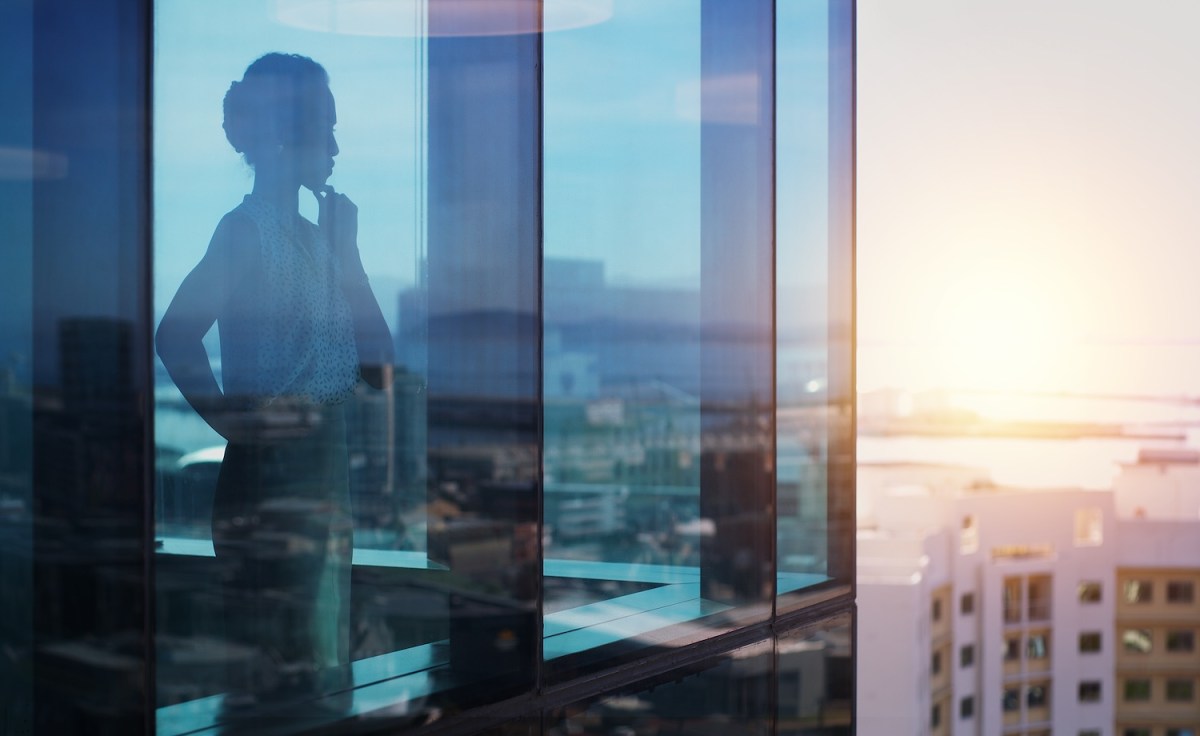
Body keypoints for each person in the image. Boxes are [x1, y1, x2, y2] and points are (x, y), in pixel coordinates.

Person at [156, 52, 393, 709]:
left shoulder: (321, 243)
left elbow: (379, 365)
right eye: (329, 130)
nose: (339, 148)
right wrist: (235, 424)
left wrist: (349, 256)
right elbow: (174, 334)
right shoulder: (243, 233)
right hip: (272, 485)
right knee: (283, 677)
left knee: (313, 664)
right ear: (290, 133)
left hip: (319, 486)